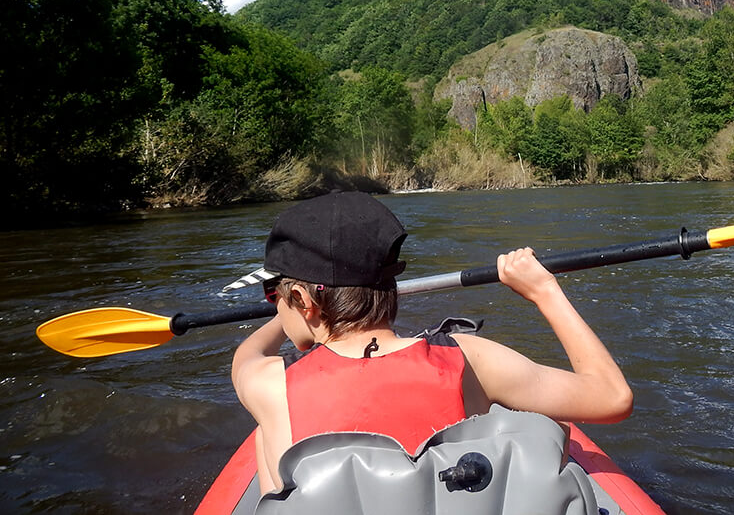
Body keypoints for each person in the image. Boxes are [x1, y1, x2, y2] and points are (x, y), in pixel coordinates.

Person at [231, 190, 633, 495]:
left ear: (300, 299)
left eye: (273, 293)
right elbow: (613, 398)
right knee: (549, 419)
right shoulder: (468, 358)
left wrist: (290, 315)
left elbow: (248, 354)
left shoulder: (270, 384)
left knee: (269, 433)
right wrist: (545, 290)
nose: (275, 303)